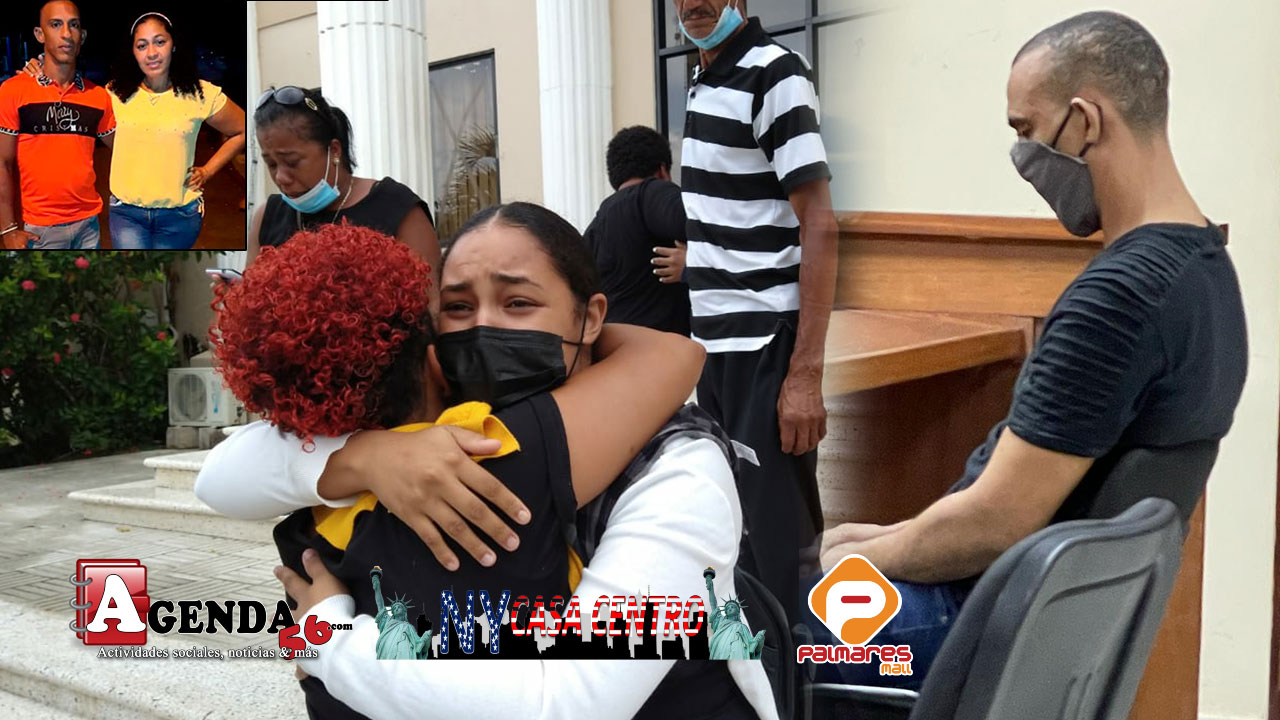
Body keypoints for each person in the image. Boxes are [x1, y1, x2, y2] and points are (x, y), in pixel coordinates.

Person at [806, 11, 1248, 690]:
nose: (1023, 158)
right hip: (1023, 631)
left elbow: (996, 523)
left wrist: (862, 560)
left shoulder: (1120, 298)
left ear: (1085, 121)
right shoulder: (1206, 272)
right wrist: (872, 542)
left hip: (957, 627)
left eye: (1026, 131)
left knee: (723, 625)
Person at [198, 204, 779, 720]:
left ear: (590, 316)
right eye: (458, 306)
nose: (483, 327)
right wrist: (368, 457)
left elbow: (575, 702)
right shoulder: (439, 426)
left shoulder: (679, 467)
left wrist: (330, 643)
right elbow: (222, 474)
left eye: (518, 302)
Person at [673, 0, 839, 619]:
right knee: (736, 539)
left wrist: (805, 375)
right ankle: (761, 670)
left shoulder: (774, 71)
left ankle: (809, 670)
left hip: (764, 344)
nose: (691, 3)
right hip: (714, 350)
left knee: (782, 550)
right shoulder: (703, 78)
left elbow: (819, 223)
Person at [23, 12, 249, 249]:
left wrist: (208, 171)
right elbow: (68, 98)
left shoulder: (199, 93)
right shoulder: (115, 93)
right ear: (133, 52)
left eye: (160, 42)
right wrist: (39, 72)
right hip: (127, 215)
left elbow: (242, 129)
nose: (151, 53)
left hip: (179, 216)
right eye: (142, 45)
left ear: (173, 45)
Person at [250, 85, 440, 280]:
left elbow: (428, 295)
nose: (280, 177)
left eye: (292, 162)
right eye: (271, 164)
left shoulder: (397, 208)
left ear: (334, 150)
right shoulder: (268, 217)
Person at [0, 0, 115, 250]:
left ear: (82, 36)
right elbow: (3, 162)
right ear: (39, 34)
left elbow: (126, 148)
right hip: (41, 231)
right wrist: (7, 229)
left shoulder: (98, 96)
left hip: (89, 227)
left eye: (74, 25)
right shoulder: (13, 91)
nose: (66, 33)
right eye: (55, 24)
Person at [583, 125, 691, 335]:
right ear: (662, 171)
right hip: (666, 348)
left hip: (615, 349)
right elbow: (715, 229)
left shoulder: (595, 228)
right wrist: (693, 263)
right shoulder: (653, 194)